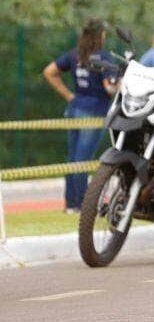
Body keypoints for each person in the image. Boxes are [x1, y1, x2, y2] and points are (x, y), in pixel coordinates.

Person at [43, 19, 116, 213]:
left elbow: (49, 71)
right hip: (93, 112)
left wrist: (68, 96)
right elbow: (109, 88)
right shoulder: (103, 57)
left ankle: (71, 204)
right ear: (100, 35)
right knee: (83, 160)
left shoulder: (75, 54)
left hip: (74, 109)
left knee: (73, 158)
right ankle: (85, 205)